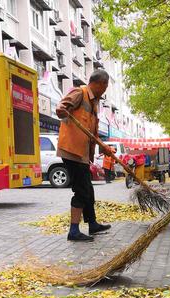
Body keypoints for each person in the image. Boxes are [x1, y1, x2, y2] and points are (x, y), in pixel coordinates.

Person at [56, 70, 112, 242]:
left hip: (82, 153)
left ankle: (92, 224)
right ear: (100, 83)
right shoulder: (79, 92)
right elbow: (61, 108)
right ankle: (73, 231)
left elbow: (91, 134)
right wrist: (62, 111)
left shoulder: (93, 102)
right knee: (81, 190)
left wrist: (103, 147)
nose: (105, 89)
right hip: (72, 150)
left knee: (88, 188)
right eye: (106, 86)